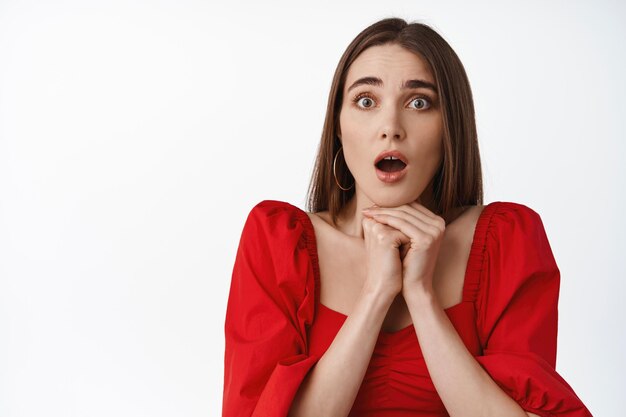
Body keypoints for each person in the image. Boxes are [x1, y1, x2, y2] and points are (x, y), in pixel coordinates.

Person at [222, 17, 592, 417]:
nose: (391, 128)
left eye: (419, 102)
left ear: (450, 126)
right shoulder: (277, 240)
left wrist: (421, 294)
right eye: (366, 101)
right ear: (339, 129)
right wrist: (376, 293)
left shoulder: (509, 240)